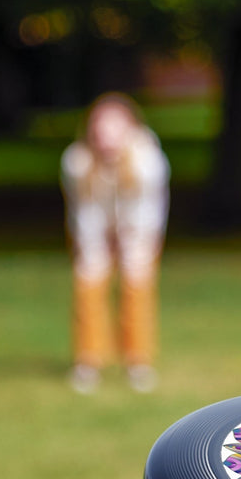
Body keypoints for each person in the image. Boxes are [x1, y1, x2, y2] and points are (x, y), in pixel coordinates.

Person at [61, 92, 170, 393]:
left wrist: (130, 243)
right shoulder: (77, 161)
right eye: (100, 127)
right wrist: (96, 246)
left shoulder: (148, 161)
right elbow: (84, 211)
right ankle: (88, 361)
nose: (106, 136)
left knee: (137, 285)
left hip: (138, 230)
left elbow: (147, 211)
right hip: (93, 229)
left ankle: (138, 362)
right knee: (88, 282)